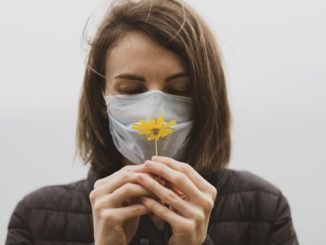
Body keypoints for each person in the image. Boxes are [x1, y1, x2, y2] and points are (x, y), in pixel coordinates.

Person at [6, 0, 299, 244]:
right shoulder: (34, 218)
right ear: (101, 101)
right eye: (132, 91)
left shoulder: (264, 209)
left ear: (206, 99)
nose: (154, 112)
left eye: (179, 91)